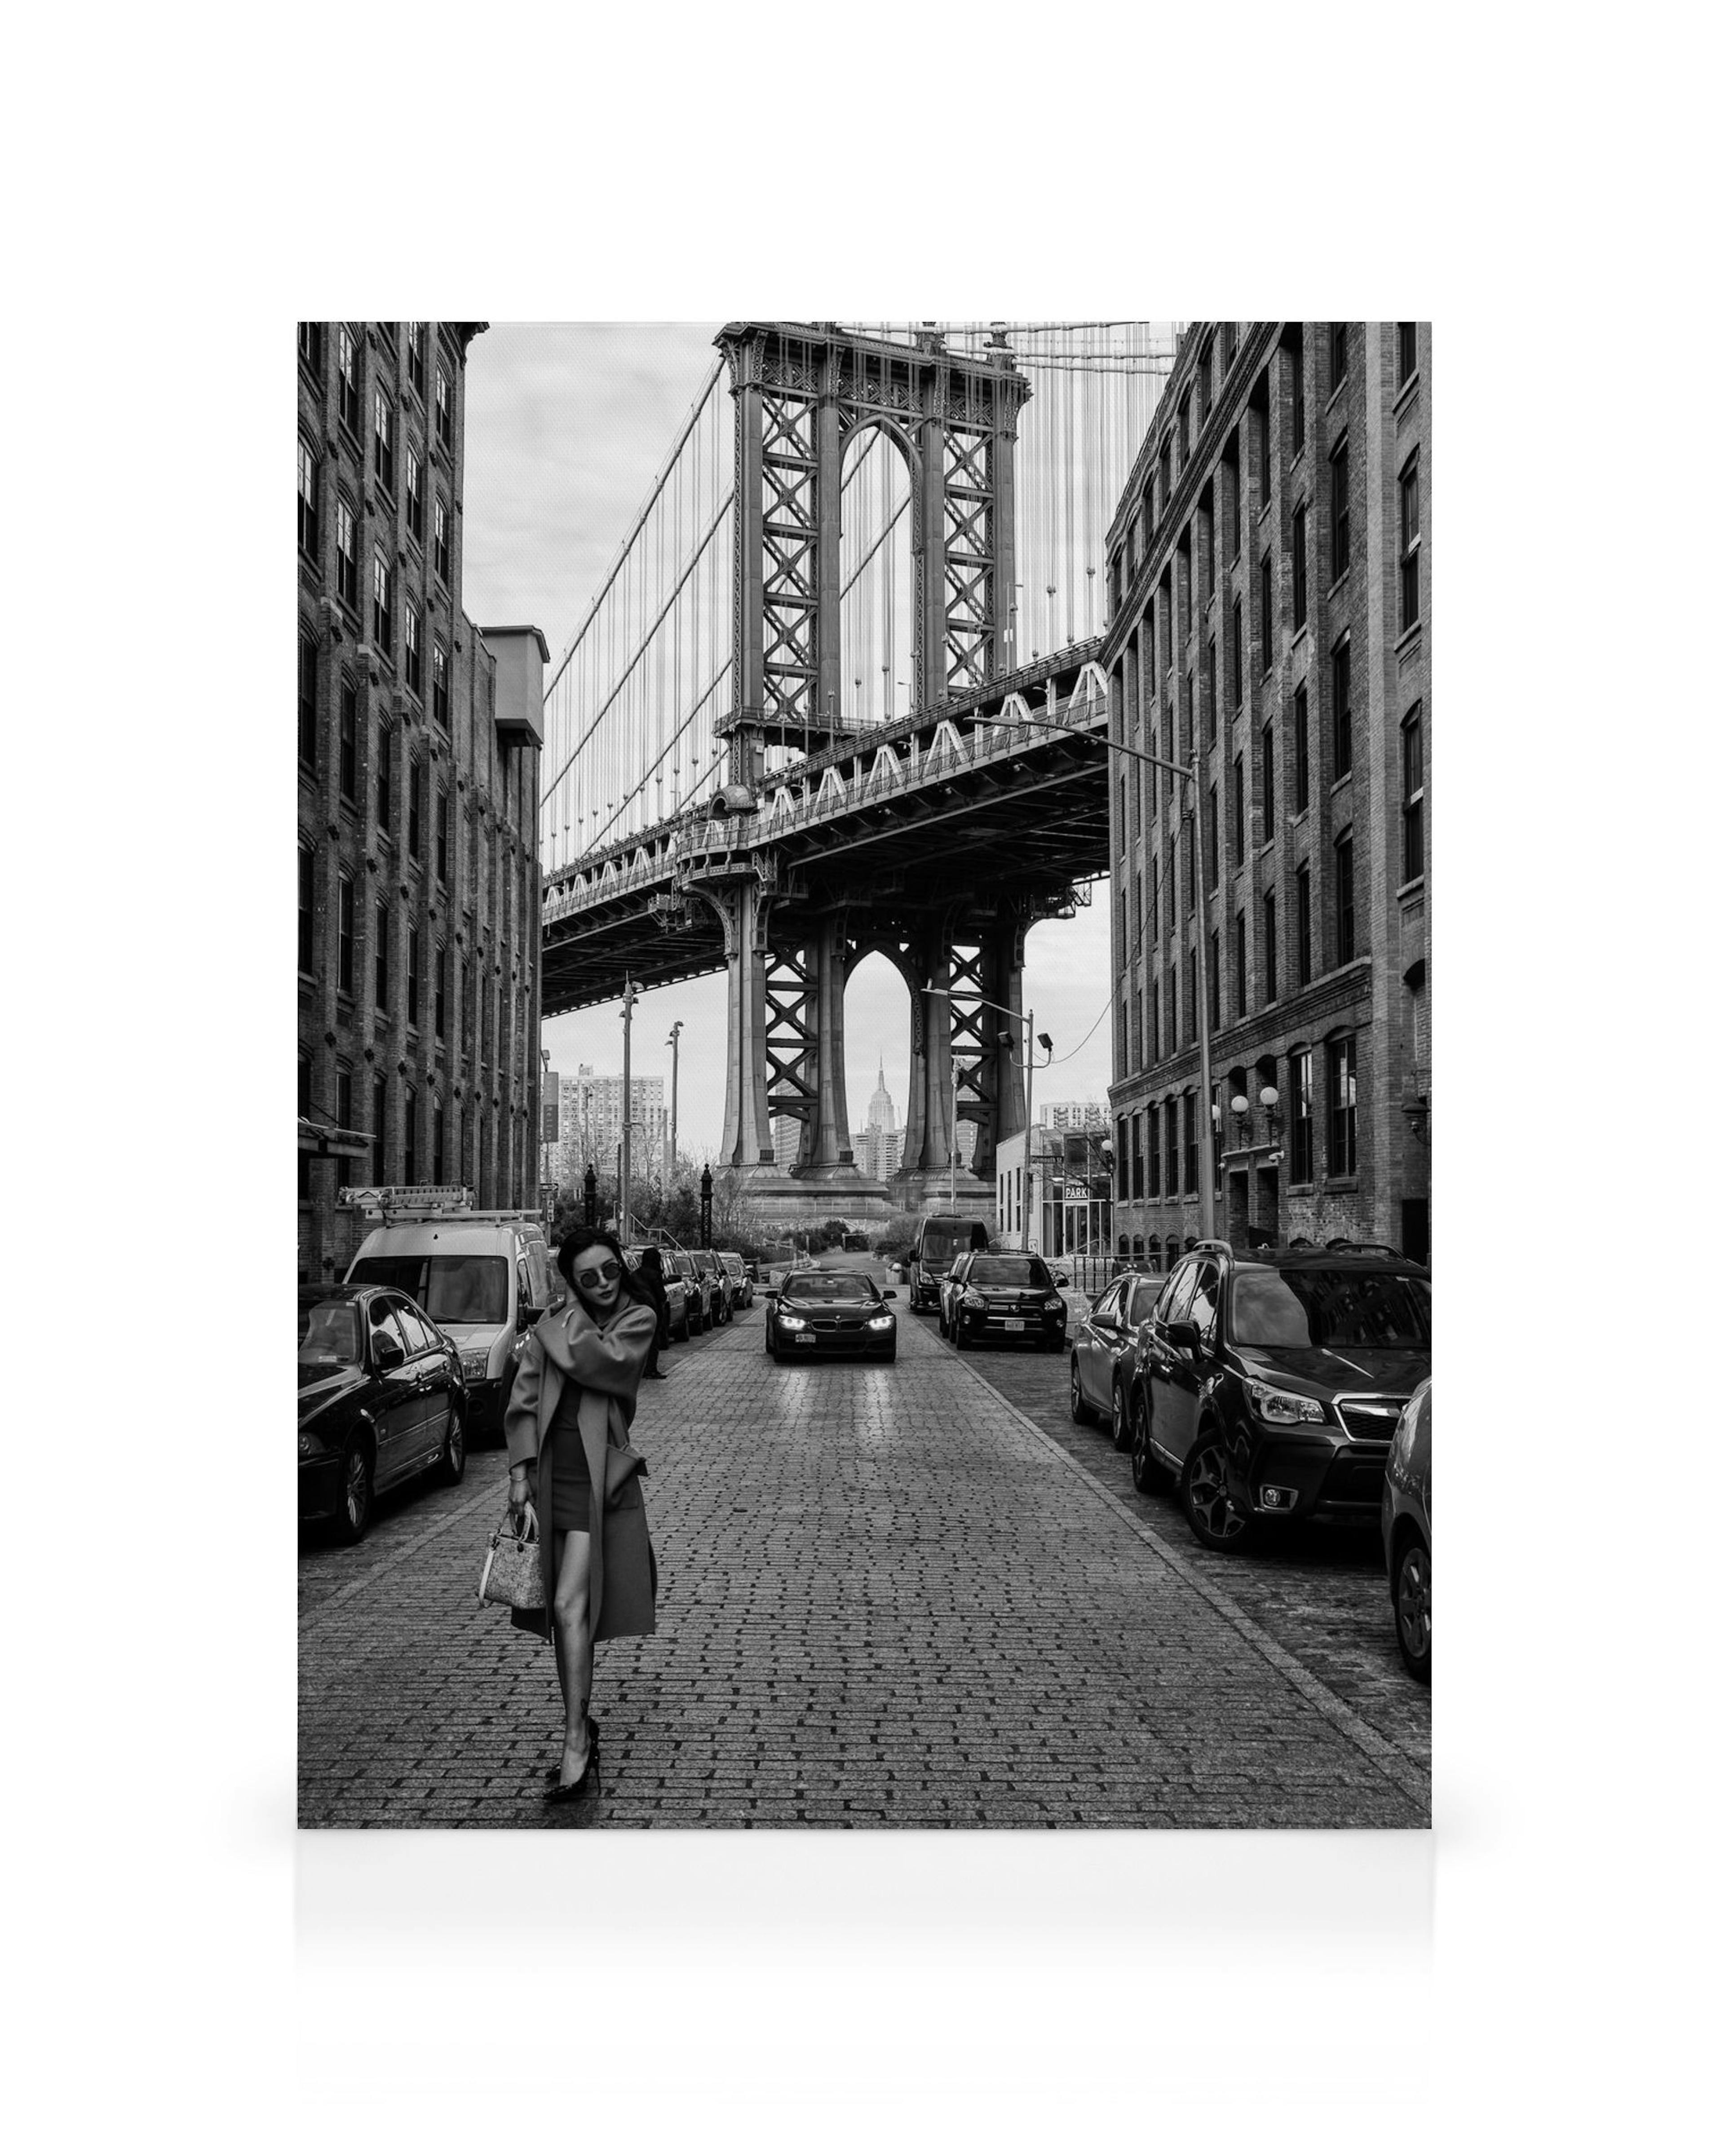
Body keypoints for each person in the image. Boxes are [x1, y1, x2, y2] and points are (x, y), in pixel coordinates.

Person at [504, 1228, 659, 1806]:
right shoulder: (557, 1322)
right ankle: (579, 1727)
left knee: (571, 1606)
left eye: (609, 1271)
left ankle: (575, 1739)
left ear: (622, 1267)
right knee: (560, 1612)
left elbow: (605, 1364)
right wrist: (519, 1475)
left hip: (598, 1484)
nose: (601, 1285)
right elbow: (522, 1398)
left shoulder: (636, 1318)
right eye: (587, 1277)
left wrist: (551, 1328)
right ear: (573, 1280)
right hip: (549, 1479)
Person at [634, 1245, 671, 1379]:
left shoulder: (636, 1274)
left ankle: (641, 1369)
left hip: (637, 1313)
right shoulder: (655, 1275)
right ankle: (651, 1370)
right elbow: (661, 1295)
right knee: (653, 1342)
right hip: (653, 1312)